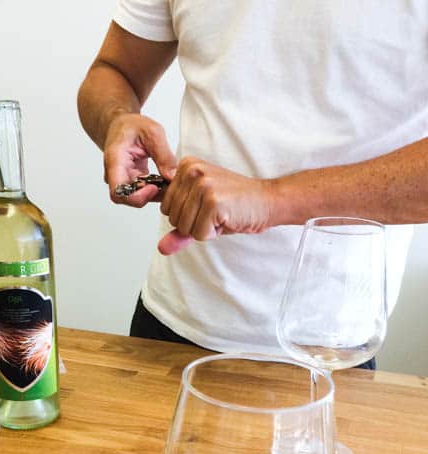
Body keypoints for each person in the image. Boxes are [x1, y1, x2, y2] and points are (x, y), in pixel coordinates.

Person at [77, 1, 428, 358]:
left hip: (329, 346)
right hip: (169, 323)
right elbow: (114, 71)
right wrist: (115, 119)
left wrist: (271, 199)